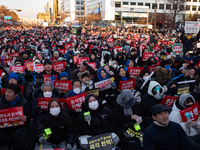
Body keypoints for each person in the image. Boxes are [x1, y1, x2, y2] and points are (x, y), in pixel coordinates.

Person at [0, 83, 31, 149]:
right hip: (3, 130)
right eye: (6, 91)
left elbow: (29, 118)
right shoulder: (0, 102)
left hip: (17, 130)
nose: (7, 94)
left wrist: (26, 118)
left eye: (10, 92)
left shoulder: (24, 103)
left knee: (23, 133)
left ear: (16, 94)